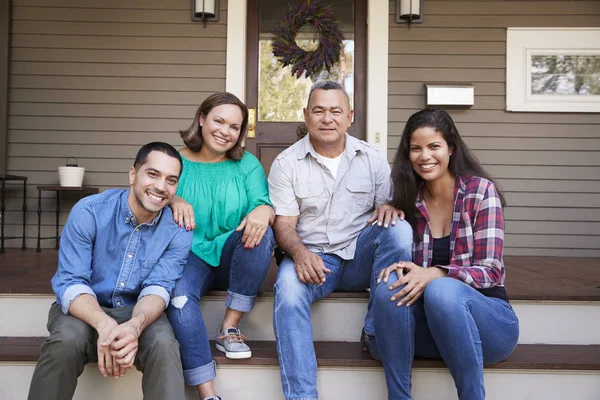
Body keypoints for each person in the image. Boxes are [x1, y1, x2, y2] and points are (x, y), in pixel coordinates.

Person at [268, 80, 413, 400]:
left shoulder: (372, 159)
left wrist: (390, 206)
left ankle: (375, 330)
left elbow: (385, 209)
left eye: (335, 111)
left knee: (400, 230)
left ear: (350, 116)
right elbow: (284, 225)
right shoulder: (287, 163)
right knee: (288, 292)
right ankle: (302, 396)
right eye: (318, 110)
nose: (327, 118)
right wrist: (299, 253)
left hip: (360, 256)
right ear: (305, 116)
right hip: (314, 261)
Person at [369, 109, 520, 400]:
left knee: (441, 289)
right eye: (416, 148)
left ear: (451, 147)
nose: (424, 156)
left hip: (489, 325)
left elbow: (491, 270)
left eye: (434, 146)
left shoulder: (480, 192)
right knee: (390, 287)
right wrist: (387, 210)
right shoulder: (406, 201)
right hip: (431, 330)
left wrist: (437, 272)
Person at [28, 142, 193, 400]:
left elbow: (158, 288)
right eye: (153, 174)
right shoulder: (90, 211)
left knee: (163, 344)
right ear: (132, 174)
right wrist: (104, 324)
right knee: (65, 341)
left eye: (171, 180)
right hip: (83, 309)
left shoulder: (179, 231)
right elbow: (72, 282)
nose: (161, 187)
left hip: (138, 308)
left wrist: (135, 326)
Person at [166, 92, 275, 400]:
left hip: (232, 255)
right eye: (219, 121)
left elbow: (262, 204)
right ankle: (208, 394)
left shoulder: (246, 165)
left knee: (261, 231)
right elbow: (150, 192)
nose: (226, 131)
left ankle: (230, 326)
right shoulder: (174, 161)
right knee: (178, 299)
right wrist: (173, 198)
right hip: (188, 255)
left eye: (235, 126)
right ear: (201, 119)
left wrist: (263, 210)